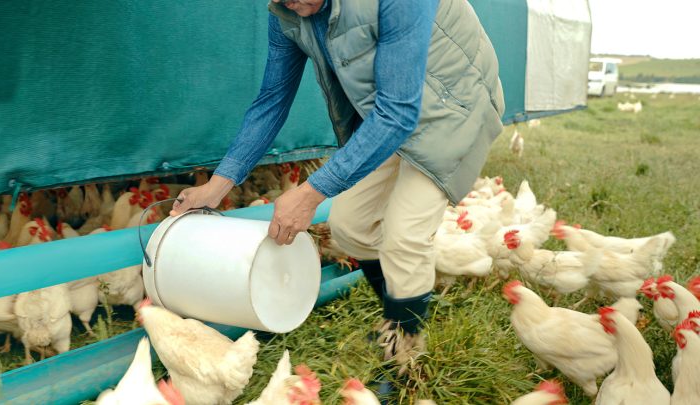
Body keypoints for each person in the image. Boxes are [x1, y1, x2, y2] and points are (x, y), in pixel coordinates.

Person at [170, 0, 505, 373]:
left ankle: (408, 358)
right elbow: (272, 99)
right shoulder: (286, 13)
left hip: (453, 107)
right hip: (386, 115)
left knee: (405, 236)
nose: (290, 3)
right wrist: (218, 184)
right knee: (351, 226)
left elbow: (399, 112)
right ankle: (399, 318)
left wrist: (311, 192)